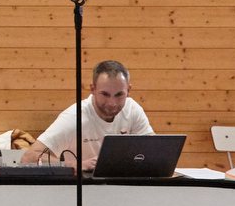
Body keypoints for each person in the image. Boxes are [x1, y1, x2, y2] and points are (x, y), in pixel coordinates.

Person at [21, 59, 154, 171]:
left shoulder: (132, 109)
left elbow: (154, 150)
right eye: (105, 94)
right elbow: (29, 157)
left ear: (128, 90)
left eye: (119, 95)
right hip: (78, 188)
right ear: (93, 89)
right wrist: (75, 165)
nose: (112, 103)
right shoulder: (74, 118)